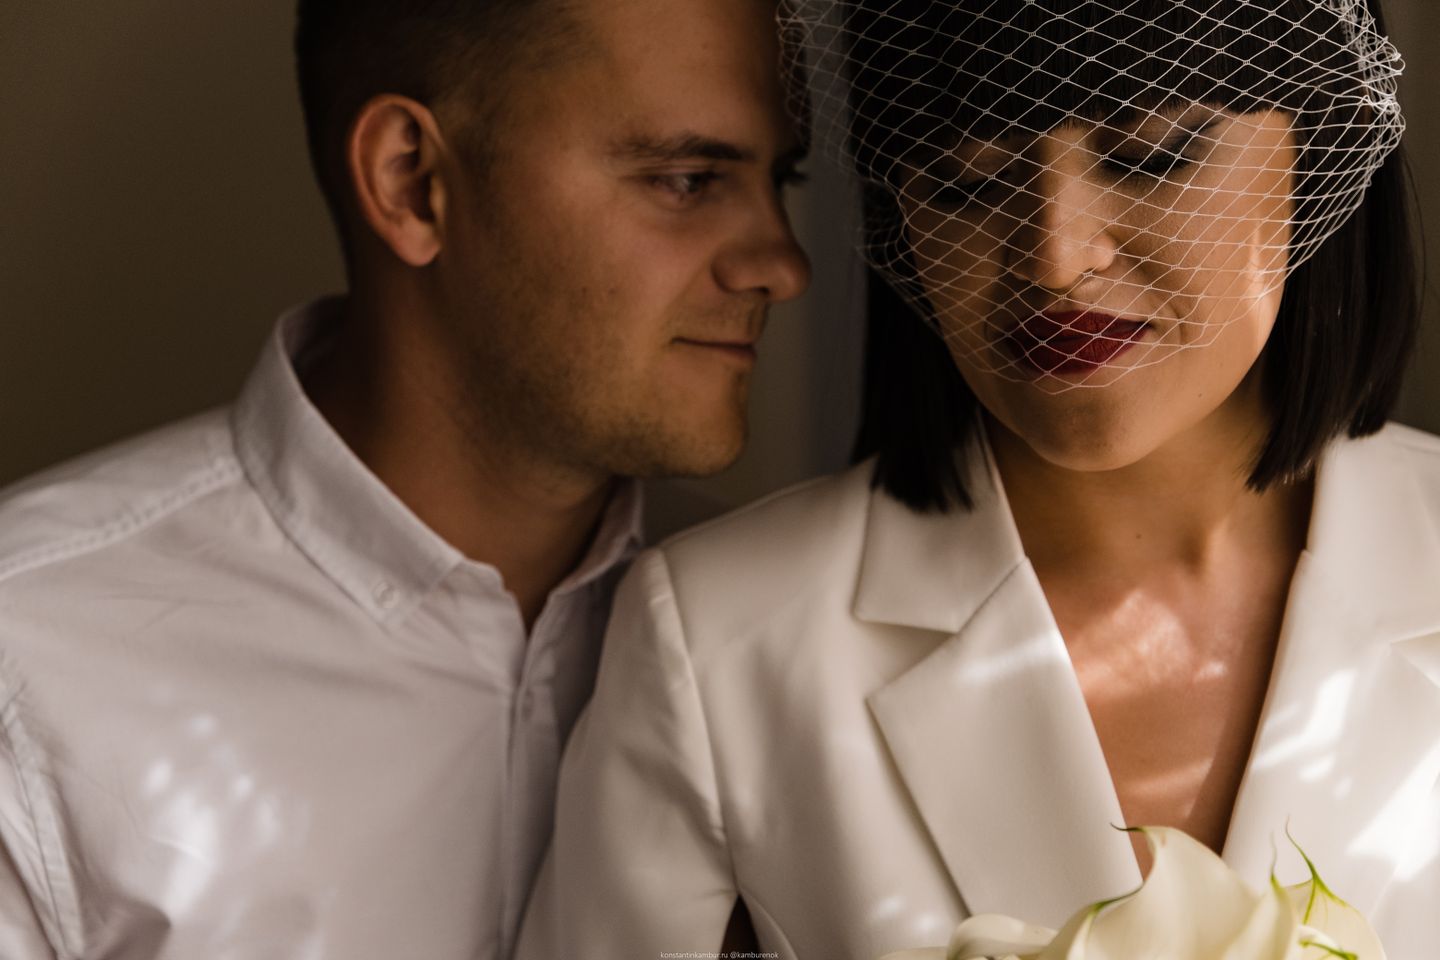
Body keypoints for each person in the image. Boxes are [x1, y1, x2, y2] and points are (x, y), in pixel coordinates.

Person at [518, 1, 1440, 957]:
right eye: (971, 179)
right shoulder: (719, 641)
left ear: (1323, 142)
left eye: (1151, 154)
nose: (1056, 258)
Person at [0, 0, 809, 956]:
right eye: (686, 180)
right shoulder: (29, 665)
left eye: (779, 180)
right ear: (412, 181)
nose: (782, 265)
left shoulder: (788, 621)